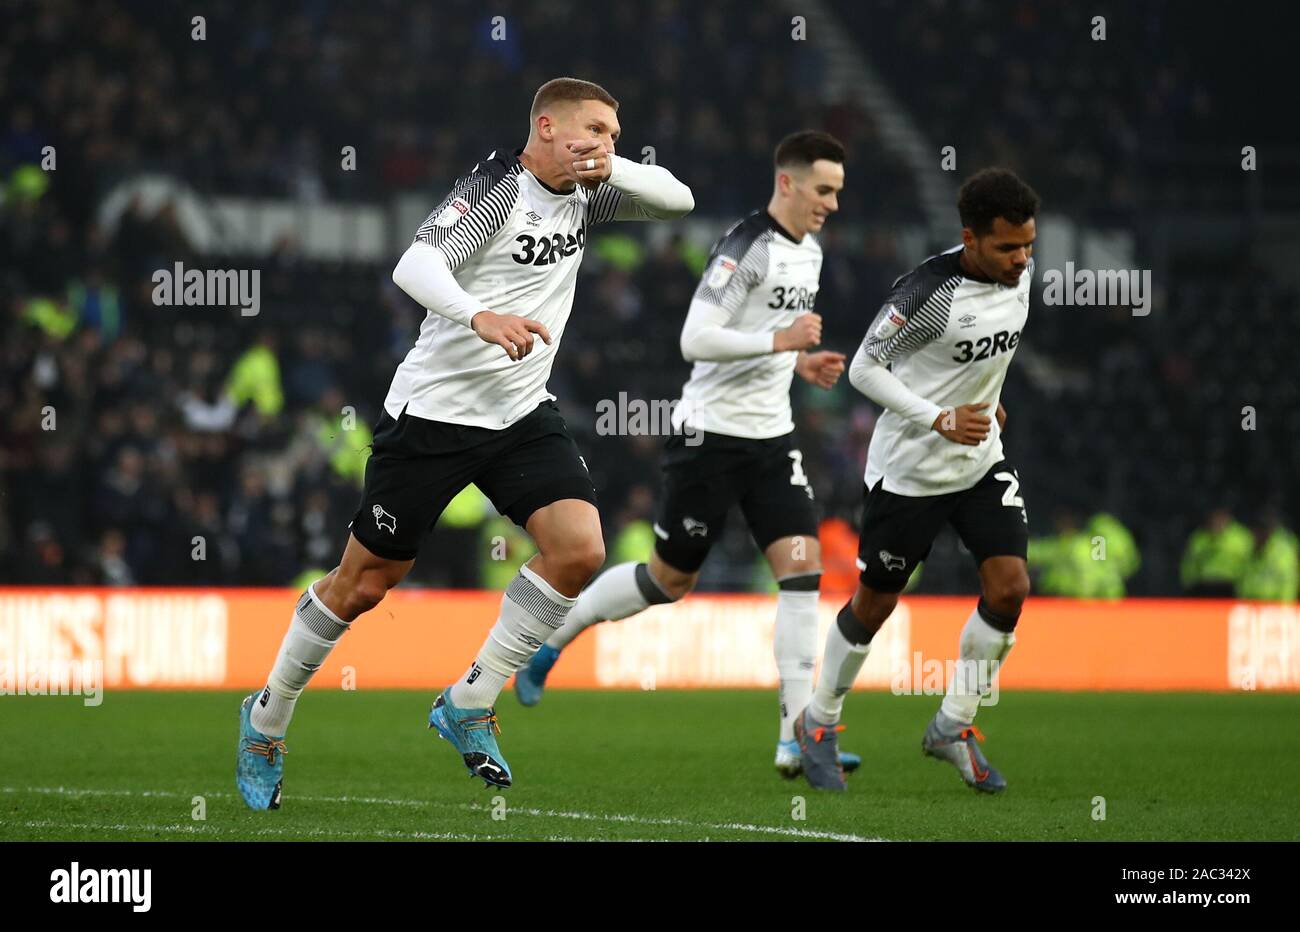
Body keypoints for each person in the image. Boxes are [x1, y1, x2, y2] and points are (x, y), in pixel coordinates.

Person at [235, 77, 694, 808]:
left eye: (614, 133)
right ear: (546, 126)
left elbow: (679, 198)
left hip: (519, 414)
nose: (607, 144)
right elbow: (413, 265)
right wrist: (478, 315)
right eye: (595, 131)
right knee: (363, 585)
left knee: (580, 550)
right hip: (434, 418)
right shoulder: (496, 189)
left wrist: (614, 165)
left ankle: (470, 702)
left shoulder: (587, 190)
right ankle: (265, 720)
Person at [515, 132, 859, 780]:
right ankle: (555, 638)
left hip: (772, 436)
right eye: (823, 190)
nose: (832, 204)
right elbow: (696, 338)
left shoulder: (809, 253)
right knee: (669, 581)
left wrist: (799, 358)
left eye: (838, 192)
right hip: (708, 436)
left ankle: (796, 738)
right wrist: (779, 338)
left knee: (802, 573)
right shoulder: (745, 245)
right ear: (787, 183)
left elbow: (766, 342)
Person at [798, 168, 1038, 793]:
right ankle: (818, 722)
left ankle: (953, 725)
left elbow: (994, 347)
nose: (1022, 259)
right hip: (910, 472)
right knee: (875, 604)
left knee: (1010, 587)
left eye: (1028, 246)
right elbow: (864, 370)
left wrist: (988, 394)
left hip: (980, 460)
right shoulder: (928, 293)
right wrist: (938, 415)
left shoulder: (1021, 273)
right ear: (971, 238)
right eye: (1008, 247)